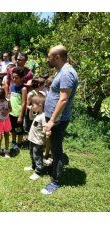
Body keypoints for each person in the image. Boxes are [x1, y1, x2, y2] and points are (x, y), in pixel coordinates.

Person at [41, 45, 79, 195]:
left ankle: (55, 181)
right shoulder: (61, 71)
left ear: (57, 57)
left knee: (57, 150)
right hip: (54, 118)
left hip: (58, 119)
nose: (47, 59)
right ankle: (52, 169)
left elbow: (63, 100)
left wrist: (52, 121)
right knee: (54, 147)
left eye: (49, 56)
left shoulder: (67, 73)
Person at [24, 94, 47, 180]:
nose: (32, 106)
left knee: (37, 155)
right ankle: (33, 166)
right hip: (32, 139)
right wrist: (30, 110)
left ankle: (38, 171)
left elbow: (45, 127)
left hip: (38, 140)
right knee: (32, 154)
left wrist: (46, 132)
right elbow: (30, 117)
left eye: (33, 105)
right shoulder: (38, 114)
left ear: (40, 106)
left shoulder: (43, 116)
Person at [9, 67, 27, 152]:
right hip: (11, 113)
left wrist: (21, 116)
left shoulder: (23, 89)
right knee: (12, 128)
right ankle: (13, 141)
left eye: (16, 78)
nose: (14, 79)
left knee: (18, 129)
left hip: (18, 113)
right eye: (13, 77)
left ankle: (19, 143)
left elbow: (24, 103)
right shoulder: (12, 86)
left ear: (22, 78)